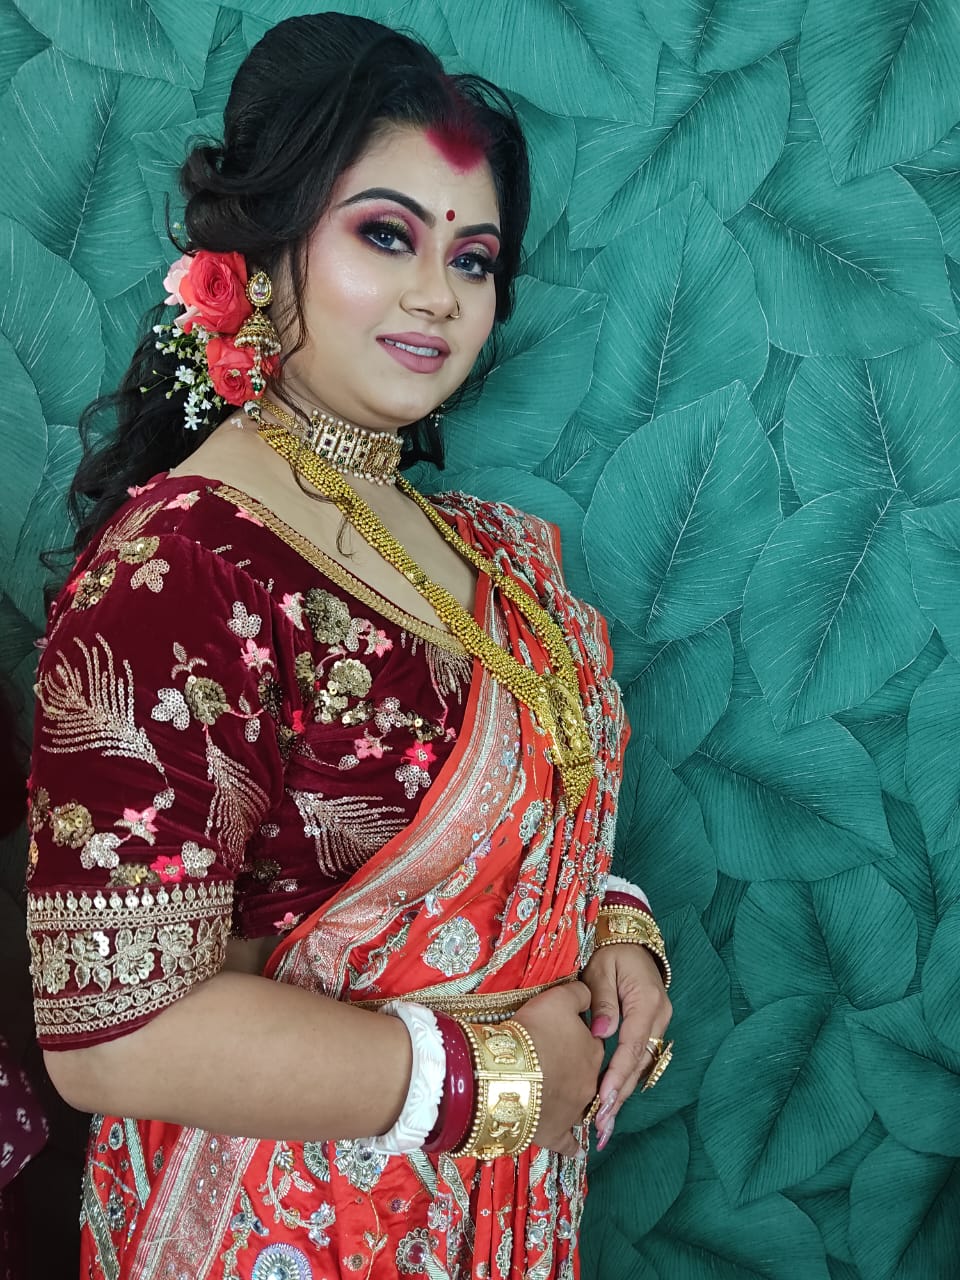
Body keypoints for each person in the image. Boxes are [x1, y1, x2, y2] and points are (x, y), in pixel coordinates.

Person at [25, 13, 673, 1278]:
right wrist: (497, 1080)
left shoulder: (484, 548)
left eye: (473, 257)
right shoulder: (186, 570)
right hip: (276, 1225)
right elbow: (113, 1034)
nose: (440, 293)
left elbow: (506, 813)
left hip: (497, 1216)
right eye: (387, 234)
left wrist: (608, 923)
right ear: (266, 254)